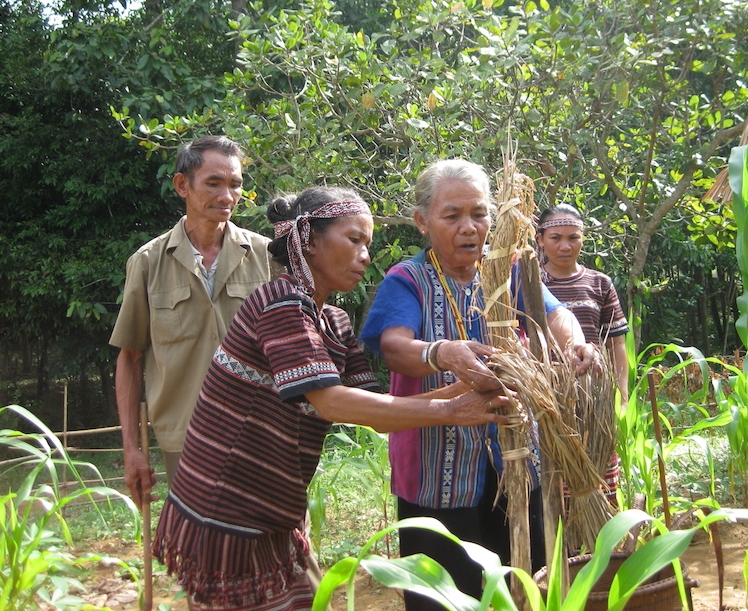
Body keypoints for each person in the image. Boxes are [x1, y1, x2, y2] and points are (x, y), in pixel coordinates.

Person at [152, 187, 509, 611]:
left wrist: (471, 389)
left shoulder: (333, 322)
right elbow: (332, 403)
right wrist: (450, 409)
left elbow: (373, 411)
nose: (364, 255)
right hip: (227, 505)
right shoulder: (279, 303)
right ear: (310, 242)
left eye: (368, 245)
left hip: (276, 508)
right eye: (354, 240)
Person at [359, 159, 597, 610]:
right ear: (422, 222)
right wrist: (440, 352)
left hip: (515, 459)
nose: (469, 227)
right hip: (437, 472)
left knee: (526, 579)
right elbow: (394, 347)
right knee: (445, 593)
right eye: (452, 216)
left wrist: (576, 344)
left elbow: (555, 314)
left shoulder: (506, 270)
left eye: (480, 213)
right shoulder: (407, 280)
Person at [110, 135, 273, 509]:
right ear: (183, 185)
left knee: (267, 552)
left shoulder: (267, 256)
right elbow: (130, 357)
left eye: (235, 184)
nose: (227, 195)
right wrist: (132, 450)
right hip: (186, 442)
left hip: (262, 436)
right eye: (213, 183)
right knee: (200, 558)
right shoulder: (149, 263)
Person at [535, 203, 629, 513]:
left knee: (600, 473)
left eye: (573, 238)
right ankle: (565, 551)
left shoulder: (600, 283)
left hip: (594, 396)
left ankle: (606, 544)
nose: (565, 246)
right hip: (548, 397)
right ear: (540, 240)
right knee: (555, 477)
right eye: (555, 237)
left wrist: (622, 394)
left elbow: (616, 344)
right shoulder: (529, 283)